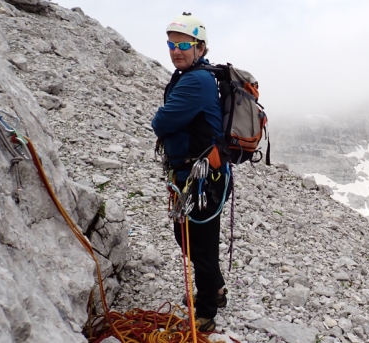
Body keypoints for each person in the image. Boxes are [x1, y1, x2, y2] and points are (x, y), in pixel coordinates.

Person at [151, 12, 227, 332]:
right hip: (195, 175)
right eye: (172, 44)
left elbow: (162, 122)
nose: (176, 50)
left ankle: (207, 312)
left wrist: (163, 118)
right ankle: (216, 290)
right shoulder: (190, 76)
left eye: (184, 44)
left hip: (202, 177)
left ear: (201, 47)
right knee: (193, 240)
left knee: (198, 243)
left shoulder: (196, 80)